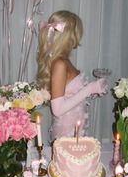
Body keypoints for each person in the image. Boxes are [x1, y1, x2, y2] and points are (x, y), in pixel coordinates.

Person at [37, 10, 108, 140]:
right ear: (70, 35)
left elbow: (70, 94)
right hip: (67, 134)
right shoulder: (60, 64)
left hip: (75, 129)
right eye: (78, 32)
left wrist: (94, 91)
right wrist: (89, 89)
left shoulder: (64, 60)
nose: (80, 36)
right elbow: (57, 110)